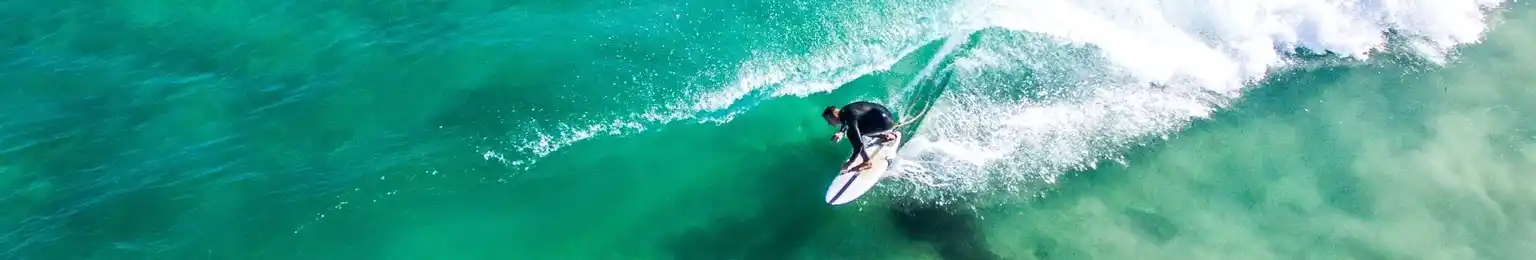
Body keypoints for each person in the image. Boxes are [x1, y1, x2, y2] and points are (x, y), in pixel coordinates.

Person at [823, 101, 900, 171]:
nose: (829, 124)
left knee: (851, 134)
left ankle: (866, 162)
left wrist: (850, 162)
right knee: (856, 129)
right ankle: (884, 136)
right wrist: (841, 132)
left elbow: (859, 144)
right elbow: (848, 121)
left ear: (832, 116)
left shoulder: (848, 115)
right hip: (887, 116)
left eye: (828, 121)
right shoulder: (845, 110)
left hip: (884, 123)